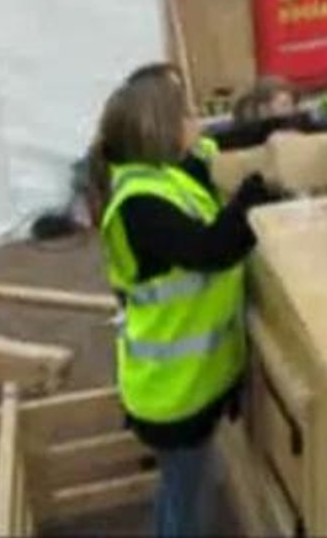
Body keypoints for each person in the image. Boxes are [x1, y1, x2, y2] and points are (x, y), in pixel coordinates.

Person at [86, 68, 276, 537]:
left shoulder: (169, 170)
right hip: (171, 394)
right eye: (187, 113)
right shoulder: (140, 204)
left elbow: (226, 143)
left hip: (182, 384)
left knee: (183, 490)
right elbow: (211, 250)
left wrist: (279, 129)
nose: (198, 121)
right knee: (189, 504)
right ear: (161, 128)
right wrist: (254, 192)